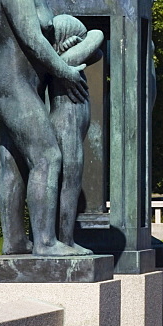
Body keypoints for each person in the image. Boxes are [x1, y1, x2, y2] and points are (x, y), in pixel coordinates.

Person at [0, 0, 91, 257]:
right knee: (47, 155)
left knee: (14, 162)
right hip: (12, 85)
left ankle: (15, 241)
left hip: (15, 86)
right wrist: (66, 71)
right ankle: (46, 242)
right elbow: (32, 39)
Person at [49, 14, 104, 254]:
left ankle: (65, 238)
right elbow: (97, 37)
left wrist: (76, 42)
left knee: (70, 182)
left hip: (72, 127)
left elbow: (98, 54)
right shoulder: (66, 60)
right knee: (69, 183)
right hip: (66, 126)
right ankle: (65, 239)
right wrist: (80, 41)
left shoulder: (67, 60)